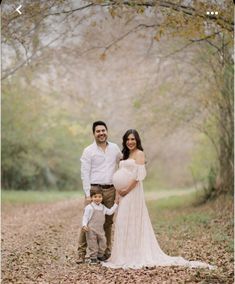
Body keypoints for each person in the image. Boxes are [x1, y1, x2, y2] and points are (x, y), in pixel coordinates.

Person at [103, 129, 215, 269]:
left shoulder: (139, 154)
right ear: (124, 141)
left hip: (132, 193)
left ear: (137, 140)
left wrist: (126, 190)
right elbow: (120, 173)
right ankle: (123, 254)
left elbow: (138, 177)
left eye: (133, 139)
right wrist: (119, 194)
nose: (130, 142)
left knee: (132, 220)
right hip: (123, 195)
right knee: (122, 221)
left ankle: (134, 254)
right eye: (128, 139)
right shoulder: (125, 154)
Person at [77, 121, 122, 264]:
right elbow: (84, 173)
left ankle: (105, 252)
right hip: (94, 189)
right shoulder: (88, 150)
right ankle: (81, 253)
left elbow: (123, 160)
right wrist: (87, 194)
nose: (101, 133)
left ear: (107, 131)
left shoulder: (114, 148)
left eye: (103, 130)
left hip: (110, 189)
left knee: (108, 222)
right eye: (98, 131)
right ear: (94, 133)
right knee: (88, 222)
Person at [82, 187, 119, 264]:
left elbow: (109, 212)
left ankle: (100, 255)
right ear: (91, 198)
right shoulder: (89, 207)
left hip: (100, 229)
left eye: (99, 197)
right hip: (91, 229)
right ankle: (93, 257)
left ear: (102, 197)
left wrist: (116, 204)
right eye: (95, 197)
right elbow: (85, 217)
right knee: (92, 243)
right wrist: (84, 225)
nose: (97, 199)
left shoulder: (102, 207)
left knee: (103, 242)